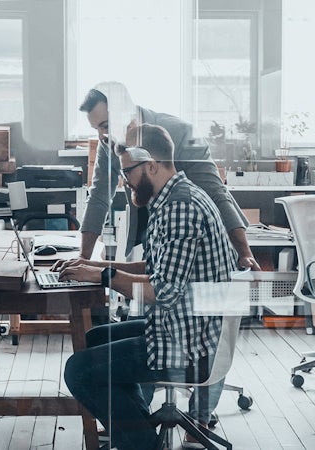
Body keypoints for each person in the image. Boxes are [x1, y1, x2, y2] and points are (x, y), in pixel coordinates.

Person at [58, 124, 239, 450]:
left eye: (127, 171)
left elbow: (163, 291)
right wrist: (95, 266)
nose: (123, 181)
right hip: (193, 327)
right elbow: (157, 269)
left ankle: (140, 443)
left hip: (194, 345)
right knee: (94, 339)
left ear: (151, 165)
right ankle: (139, 435)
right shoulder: (177, 196)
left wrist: (101, 278)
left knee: (79, 370)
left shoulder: (180, 209)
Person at [74, 82, 257, 270]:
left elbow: (215, 193)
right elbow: (99, 196)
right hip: (154, 233)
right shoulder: (108, 142)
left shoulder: (179, 132)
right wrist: (83, 259)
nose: (102, 136)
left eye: (105, 126)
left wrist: (245, 253)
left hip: (197, 234)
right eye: (96, 129)